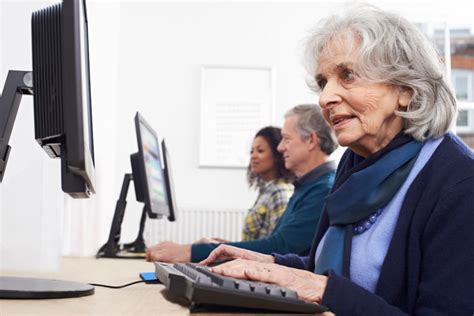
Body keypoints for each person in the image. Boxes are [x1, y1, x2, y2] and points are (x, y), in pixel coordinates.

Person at [200, 5, 474, 315]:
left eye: (347, 75)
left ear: (405, 90)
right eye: (322, 82)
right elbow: (338, 268)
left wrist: (322, 290)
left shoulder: (460, 183)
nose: (324, 98)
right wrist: (273, 264)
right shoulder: (356, 161)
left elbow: (334, 286)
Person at [146, 104, 338, 263]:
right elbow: (277, 245)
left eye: (286, 139)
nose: (280, 147)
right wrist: (221, 248)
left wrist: (191, 251)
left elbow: (278, 248)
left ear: (311, 140)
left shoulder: (323, 190)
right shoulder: (308, 185)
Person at [197, 126, 294, 244]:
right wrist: (225, 245)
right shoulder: (267, 190)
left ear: (277, 154)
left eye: (260, 151)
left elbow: (273, 248)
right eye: (252, 151)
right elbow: (258, 244)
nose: (253, 156)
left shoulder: (279, 192)